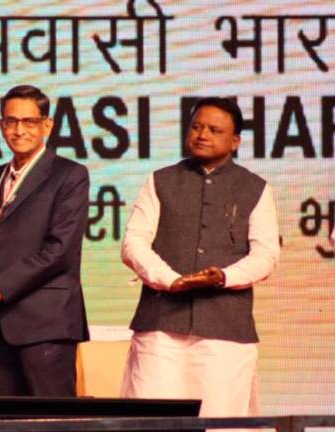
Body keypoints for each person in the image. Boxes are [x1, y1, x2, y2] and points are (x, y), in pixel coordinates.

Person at [120, 97, 280, 419]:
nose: (202, 135)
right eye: (196, 127)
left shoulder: (255, 188)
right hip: (160, 331)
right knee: (150, 423)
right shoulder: (160, 180)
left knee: (220, 422)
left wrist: (223, 277)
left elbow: (266, 255)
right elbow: (133, 242)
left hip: (225, 333)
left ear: (235, 141)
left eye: (214, 130)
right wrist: (169, 280)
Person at [0, 85, 90, 396]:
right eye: (11, 122)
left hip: (46, 324)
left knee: (52, 425)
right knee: (10, 423)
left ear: (47, 125)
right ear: (1, 127)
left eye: (29, 122)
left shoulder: (69, 175)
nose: (19, 130)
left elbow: (59, 252)